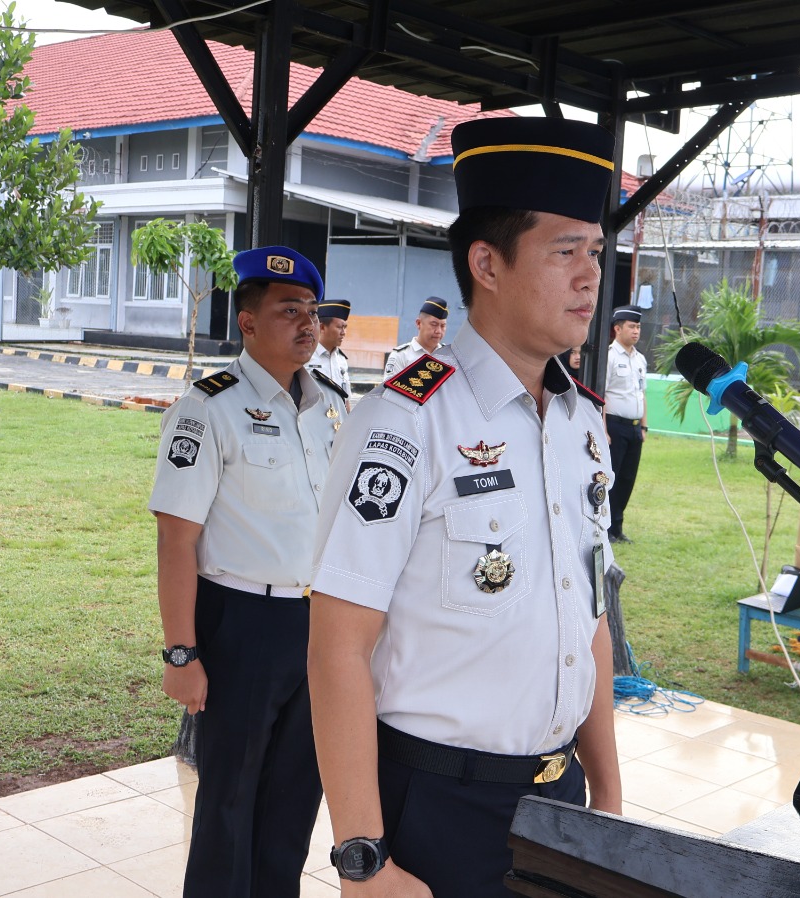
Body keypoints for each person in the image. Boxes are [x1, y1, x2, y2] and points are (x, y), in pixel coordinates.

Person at [307, 116, 623, 898]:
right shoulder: (406, 419)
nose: (590, 277)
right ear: (487, 263)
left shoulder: (582, 423)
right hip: (438, 807)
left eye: (595, 252)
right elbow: (337, 645)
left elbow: (588, 617)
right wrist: (361, 857)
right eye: (565, 252)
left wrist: (609, 801)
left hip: (559, 798)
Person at [149, 245, 347, 898]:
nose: (307, 323)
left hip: (316, 623)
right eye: (289, 310)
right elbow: (176, 538)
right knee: (228, 801)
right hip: (241, 624)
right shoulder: (208, 407)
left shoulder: (330, 405)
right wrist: (181, 653)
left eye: (311, 311)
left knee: (294, 797)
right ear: (248, 322)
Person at [603, 305, 648, 544]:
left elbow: (642, 394)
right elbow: (600, 395)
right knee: (612, 477)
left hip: (634, 428)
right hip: (614, 427)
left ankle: (618, 527)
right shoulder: (609, 356)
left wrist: (644, 426)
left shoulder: (640, 359)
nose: (636, 331)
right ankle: (606, 528)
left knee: (628, 478)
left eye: (638, 327)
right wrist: (603, 430)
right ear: (617, 329)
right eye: (631, 326)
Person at [382, 297, 449, 378]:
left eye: (443, 326)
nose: (438, 331)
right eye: (434, 324)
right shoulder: (401, 356)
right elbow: (390, 386)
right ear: (419, 323)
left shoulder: (449, 356)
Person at [309, 297, 354, 407]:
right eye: (340, 327)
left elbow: (346, 400)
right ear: (322, 327)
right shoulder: (306, 356)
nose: (343, 332)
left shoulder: (341, 359)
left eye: (345, 327)